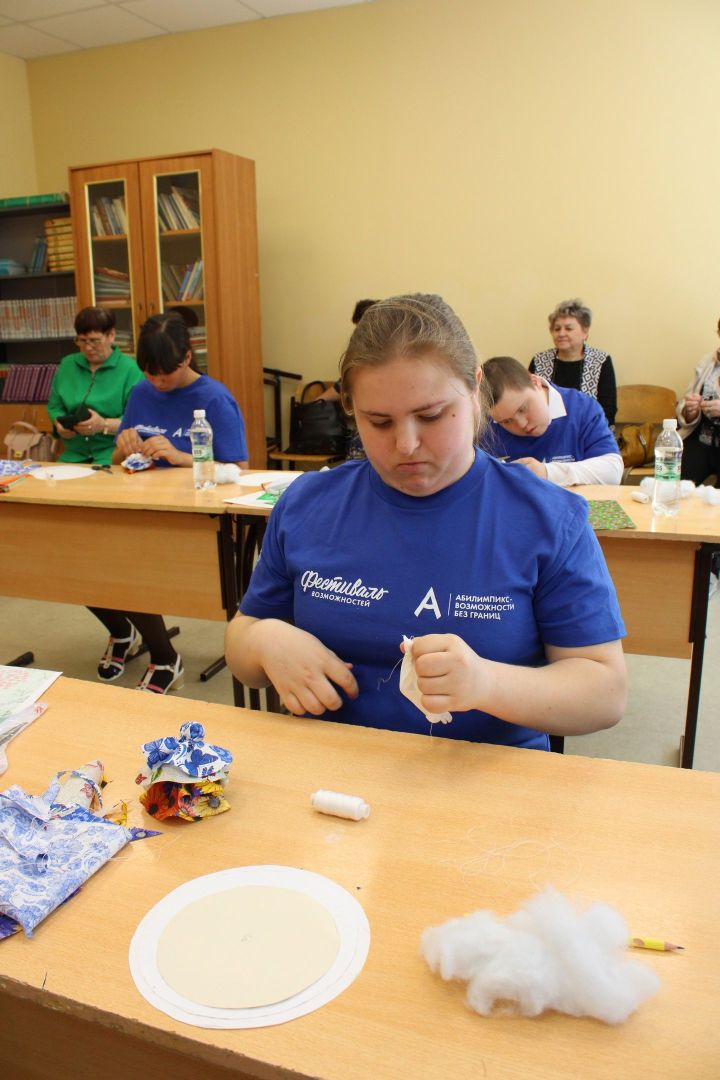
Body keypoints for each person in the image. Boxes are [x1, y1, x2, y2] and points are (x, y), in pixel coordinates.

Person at [225, 294, 626, 750]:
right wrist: (264, 640)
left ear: (476, 392)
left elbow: (605, 693)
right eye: (378, 422)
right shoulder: (307, 504)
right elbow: (241, 646)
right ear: (352, 409)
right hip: (328, 778)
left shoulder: (548, 518)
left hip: (483, 786)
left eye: (431, 415)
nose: (406, 445)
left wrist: (487, 684)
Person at [92, 312, 249, 694]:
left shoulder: (214, 398)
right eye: (150, 373)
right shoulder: (142, 392)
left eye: (167, 373)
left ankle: (164, 658)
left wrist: (181, 457)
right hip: (138, 506)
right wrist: (122, 449)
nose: (159, 382)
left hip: (191, 517)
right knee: (78, 558)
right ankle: (122, 632)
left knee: (128, 564)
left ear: (187, 357)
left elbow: (240, 470)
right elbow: (119, 460)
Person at [482, 356, 623, 487]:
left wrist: (547, 472)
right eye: (506, 421)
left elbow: (613, 471)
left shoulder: (582, 408)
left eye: (522, 409)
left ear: (535, 382)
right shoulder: (485, 426)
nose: (522, 424)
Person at [47, 306, 143, 464]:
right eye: (82, 341)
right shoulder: (67, 365)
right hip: (72, 456)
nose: (88, 348)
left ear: (111, 335)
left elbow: (137, 420)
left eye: (94, 341)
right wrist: (59, 424)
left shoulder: (130, 370)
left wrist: (103, 425)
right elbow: (54, 406)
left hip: (114, 457)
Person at [530, 299, 617, 427]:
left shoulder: (600, 360)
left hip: (590, 432)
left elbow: (608, 410)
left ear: (585, 332)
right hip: (547, 432)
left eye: (568, 328)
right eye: (557, 329)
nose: (561, 333)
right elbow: (530, 402)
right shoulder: (539, 360)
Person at [676, 318, 720, 486]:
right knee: (676, 487)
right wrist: (690, 411)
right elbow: (684, 410)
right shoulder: (708, 362)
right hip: (701, 441)